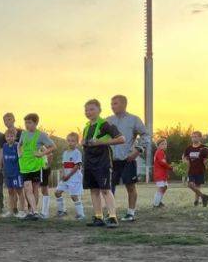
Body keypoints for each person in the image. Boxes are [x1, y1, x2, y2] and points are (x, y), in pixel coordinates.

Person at [106, 94, 150, 221]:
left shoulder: (134, 119)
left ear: (124, 104)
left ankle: (130, 213)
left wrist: (137, 151)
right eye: (111, 104)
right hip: (111, 160)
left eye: (115, 103)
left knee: (130, 186)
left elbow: (145, 136)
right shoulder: (108, 120)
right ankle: (111, 214)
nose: (112, 106)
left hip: (127, 159)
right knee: (109, 188)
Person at [82, 98, 124, 227]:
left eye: (92, 109)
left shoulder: (105, 124)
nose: (88, 112)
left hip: (102, 162)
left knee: (105, 190)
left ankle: (112, 217)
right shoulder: (87, 126)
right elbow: (87, 143)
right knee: (93, 190)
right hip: (89, 163)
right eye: (86, 110)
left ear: (99, 110)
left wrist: (101, 142)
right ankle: (98, 217)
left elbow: (121, 139)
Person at [18, 113, 55, 221]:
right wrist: (19, 154)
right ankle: (34, 212)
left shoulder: (41, 135)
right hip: (24, 166)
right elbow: (19, 145)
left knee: (35, 190)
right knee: (27, 188)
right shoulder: (23, 134)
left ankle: (32, 212)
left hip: (36, 167)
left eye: (29, 122)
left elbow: (53, 147)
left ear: (36, 123)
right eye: (25, 122)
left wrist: (42, 154)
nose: (26, 125)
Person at [54, 132, 86, 219]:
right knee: (57, 192)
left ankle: (81, 214)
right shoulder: (65, 153)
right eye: (68, 141)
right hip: (65, 178)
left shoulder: (77, 153)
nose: (70, 143)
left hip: (74, 178)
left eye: (73, 141)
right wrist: (63, 174)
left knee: (74, 196)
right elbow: (64, 165)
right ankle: (62, 211)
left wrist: (69, 175)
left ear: (77, 142)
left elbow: (76, 166)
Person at [0, 128, 24, 217]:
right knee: (10, 191)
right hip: (8, 173)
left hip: (16, 173)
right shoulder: (4, 146)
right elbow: (2, 156)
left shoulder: (17, 146)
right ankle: (11, 211)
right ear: (5, 138)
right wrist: (0, 165)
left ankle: (22, 211)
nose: (10, 138)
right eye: (8, 136)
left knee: (19, 191)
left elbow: (21, 156)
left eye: (12, 136)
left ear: (15, 137)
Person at [183, 132, 208, 207]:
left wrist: (207, 164)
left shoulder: (204, 147)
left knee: (197, 186)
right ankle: (204, 196)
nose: (194, 138)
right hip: (191, 170)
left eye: (195, 137)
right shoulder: (188, 148)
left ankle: (196, 202)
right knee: (190, 184)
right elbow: (185, 158)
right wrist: (185, 163)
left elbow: (207, 158)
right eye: (192, 137)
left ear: (200, 137)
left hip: (200, 170)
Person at [152, 138, 173, 208]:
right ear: (158, 146)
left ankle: (158, 201)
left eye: (165, 144)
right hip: (159, 174)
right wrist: (171, 167)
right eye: (162, 144)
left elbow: (163, 164)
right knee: (161, 188)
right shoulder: (159, 152)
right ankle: (155, 204)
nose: (164, 145)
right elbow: (162, 163)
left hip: (162, 173)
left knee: (164, 187)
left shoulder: (161, 152)